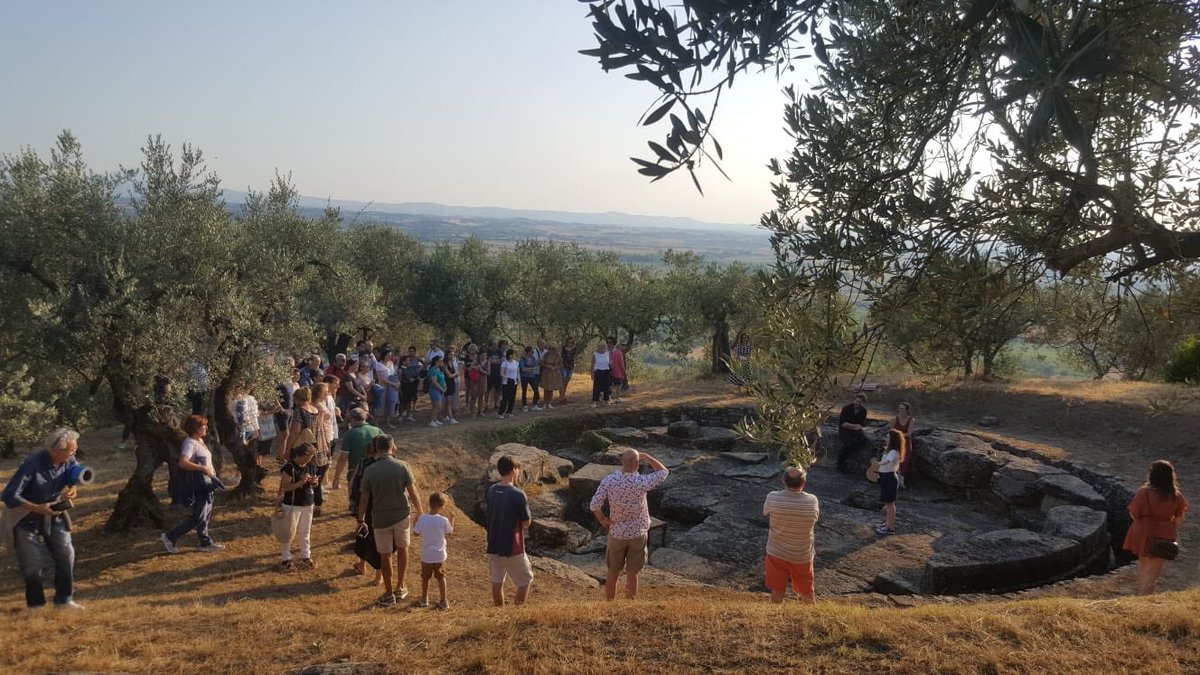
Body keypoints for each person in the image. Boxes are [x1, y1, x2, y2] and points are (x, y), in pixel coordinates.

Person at [1, 428, 87, 611]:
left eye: (75, 450)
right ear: (56, 450)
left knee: (66, 555)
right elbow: (9, 495)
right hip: (25, 518)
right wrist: (37, 508)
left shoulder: (68, 458)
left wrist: (73, 488)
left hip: (53, 514)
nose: (74, 454)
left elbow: (74, 471)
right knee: (32, 563)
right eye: (71, 450)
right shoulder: (32, 465)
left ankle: (64, 600)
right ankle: (36, 604)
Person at [588, 448, 669, 601]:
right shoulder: (642, 482)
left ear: (621, 462)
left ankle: (610, 604)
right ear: (637, 464)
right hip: (638, 532)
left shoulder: (610, 481)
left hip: (617, 532)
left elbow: (594, 505)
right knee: (633, 574)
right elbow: (663, 472)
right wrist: (648, 456)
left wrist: (603, 519)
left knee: (613, 573)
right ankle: (628, 605)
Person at [358, 435, 422, 607]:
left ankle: (388, 592)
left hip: (380, 518)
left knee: (385, 555)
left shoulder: (370, 470)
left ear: (376, 448)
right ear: (393, 448)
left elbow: (364, 498)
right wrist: (420, 510)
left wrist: (360, 519)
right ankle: (400, 586)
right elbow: (413, 492)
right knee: (403, 549)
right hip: (401, 515)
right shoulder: (403, 466)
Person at [162, 415, 226, 553]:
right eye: (203, 425)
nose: (206, 427)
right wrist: (202, 468)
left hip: (208, 483)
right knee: (199, 516)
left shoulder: (200, 441)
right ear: (196, 428)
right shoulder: (190, 443)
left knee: (206, 514)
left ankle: (205, 542)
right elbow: (183, 462)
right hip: (199, 485)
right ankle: (170, 536)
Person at [1124, 460, 1189, 595]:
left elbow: (1134, 514)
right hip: (1164, 532)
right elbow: (1179, 519)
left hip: (1143, 531)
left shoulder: (1144, 493)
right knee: (1155, 570)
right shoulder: (1176, 496)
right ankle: (1146, 595)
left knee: (1143, 565)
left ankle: (1141, 595)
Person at [763, 466, 820, 603]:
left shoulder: (773, 497)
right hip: (802, 553)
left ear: (784, 480)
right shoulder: (812, 500)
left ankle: (774, 616)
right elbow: (815, 518)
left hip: (777, 551)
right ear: (804, 483)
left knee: (777, 590)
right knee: (807, 591)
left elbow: (765, 512)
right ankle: (810, 615)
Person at [486, 455, 533, 606]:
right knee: (525, 580)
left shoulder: (492, 490)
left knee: (497, 581)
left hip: (493, 544)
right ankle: (516, 614)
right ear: (514, 470)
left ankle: (499, 613)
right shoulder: (518, 494)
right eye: (518, 469)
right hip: (512, 546)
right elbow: (526, 522)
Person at [279, 387, 331, 516]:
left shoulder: (299, 411)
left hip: (303, 450)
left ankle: (292, 501)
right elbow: (321, 430)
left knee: (297, 474)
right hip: (318, 448)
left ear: (297, 399)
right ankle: (317, 506)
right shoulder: (316, 410)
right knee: (315, 478)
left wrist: (287, 449)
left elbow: (295, 432)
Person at [277, 434, 319, 572]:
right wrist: (301, 482)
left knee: (305, 532)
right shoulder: (289, 468)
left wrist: (314, 482)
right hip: (292, 504)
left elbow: (313, 484)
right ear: (300, 455)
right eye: (308, 458)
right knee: (288, 533)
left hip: (308, 503)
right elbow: (285, 487)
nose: (309, 461)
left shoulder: (311, 466)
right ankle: (286, 559)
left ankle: (306, 556)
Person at [412, 492, 455, 609]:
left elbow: (415, 533)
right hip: (440, 555)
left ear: (430, 504)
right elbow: (450, 533)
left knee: (425, 578)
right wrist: (452, 519)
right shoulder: (444, 520)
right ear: (441, 508)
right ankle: (443, 601)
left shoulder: (423, 518)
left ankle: (424, 599)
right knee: (441, 578)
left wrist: (415, 521)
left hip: (427, 556)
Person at [333, 407, 382, 499]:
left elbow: (343, 458)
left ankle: (354, 506)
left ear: (352, 419)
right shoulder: (377, 430)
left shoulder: (350, 434)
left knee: (355, 498)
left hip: (356, 471)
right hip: (376, 468)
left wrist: (337, 478)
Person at [875, 429, 905, 535]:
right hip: (886, 477)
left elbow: (888, 461)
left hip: (889, 477)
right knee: (888, 504)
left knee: (890, 504)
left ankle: (890, 527)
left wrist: (878, 464)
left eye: (888, 437)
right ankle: (887, 523)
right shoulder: (890, 451)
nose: (886, 439)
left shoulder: (893, 452)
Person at [837, 393, 870, 473]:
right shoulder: (846, 408)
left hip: (855, 430)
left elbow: (862, 424)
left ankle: (847, 453)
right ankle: (841, 462)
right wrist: (855, 426)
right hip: (845, 429)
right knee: (847, 444)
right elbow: (843, 424)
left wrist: (857, 426)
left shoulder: (863, 411)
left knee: (864, 439)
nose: (857, 403)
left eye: (860, 402)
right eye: (856, 401)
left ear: (863, 403)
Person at [891, 402, 916, 489]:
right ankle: (893, 478)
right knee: (893, 457)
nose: (900, 410)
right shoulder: (895, 419)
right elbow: (891, 430)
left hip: (905, 441)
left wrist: (899, 435)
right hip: (896, 441)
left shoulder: (911, 420)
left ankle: (902, 480)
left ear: (907, 410)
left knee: (905, 459)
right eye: (899, 408)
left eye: (902, 409)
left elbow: (909, 433)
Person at [589, 339, 613, 407]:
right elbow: (592, 365)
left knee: (606, 386)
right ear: (598, 346)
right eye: (601, 346)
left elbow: (610, 362)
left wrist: (611, 365)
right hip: (598, 372)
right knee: (597, 387)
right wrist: (592, 374)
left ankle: (606, 400)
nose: (602, 347)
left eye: (604, 346)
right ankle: (595, 401)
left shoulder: (608, 353)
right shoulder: (595, 354)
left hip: (607, 372)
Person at [539, 345, 563, 410]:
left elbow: (561, 365)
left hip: (554, 373)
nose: (552, 350)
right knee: (546, 389)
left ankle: (549, 403)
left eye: (554, 348)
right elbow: (541, 362)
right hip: (546, 373)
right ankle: (545, 403)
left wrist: (555, 367)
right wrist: (547, 366)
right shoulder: (546, 354)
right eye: (551, 348)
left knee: (551, 388)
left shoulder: (558, 355)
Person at [426, 355, 448, 427]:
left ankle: (435, 419)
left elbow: (443, 379)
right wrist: (442, 389)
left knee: (439, 405)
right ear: (436, 361)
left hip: (441, 390)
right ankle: (432, 420)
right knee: (437, 406)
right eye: (440, 361)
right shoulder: (433, 370)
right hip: (435, 390)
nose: (442, 362)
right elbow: (434, 382)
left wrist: (445, 387)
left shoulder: (439, 369)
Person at [498, 348, 519, 419]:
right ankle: (500, 413)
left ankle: (509, 412)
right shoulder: (505, 363)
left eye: (513, 354)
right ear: (509, 355)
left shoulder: (516, 362)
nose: (513, 355)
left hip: (514, 383)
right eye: (511, 354)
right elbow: (501, 373)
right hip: (506, 383)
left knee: (512, 398)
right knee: (505, 398)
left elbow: (517, 372)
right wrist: (507, 378)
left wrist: (518, 379)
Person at [519, 345, 542, 411]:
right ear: (528, 352)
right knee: (524, 391)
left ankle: (535, 405)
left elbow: (536, 367)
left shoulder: (533, 358)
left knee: (536, 390)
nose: (532, 353)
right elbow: (523, 369)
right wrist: (532, 368)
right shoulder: (522, 359)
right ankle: (524, 405)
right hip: (524, 377)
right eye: (532, 351)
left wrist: (529, 369)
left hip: (532, 376)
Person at [606, 337, 626, 403]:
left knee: (614, 385)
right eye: (608, 342)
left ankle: (612, 398)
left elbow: (620, 363)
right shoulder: (617, 352)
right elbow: (621, 363)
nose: (609, 344)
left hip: (614, 372)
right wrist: (623, 372)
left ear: (613, 343)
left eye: (610, 342)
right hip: (612, 372)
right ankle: (614, 398)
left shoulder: (607, 352)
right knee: (616, 385)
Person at [559, 338, 576, 404]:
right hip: (564, 366)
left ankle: (563, 396)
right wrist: (561, 364)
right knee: (563, 382)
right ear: (566, 342)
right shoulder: (563, 349)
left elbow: (574, 358)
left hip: (570, 367)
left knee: (566, 382)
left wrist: (574, 365)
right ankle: (561, 397)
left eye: (571, 342)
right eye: (569, 342)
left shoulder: (573, 349)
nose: (570, 344)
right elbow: (561, 357)